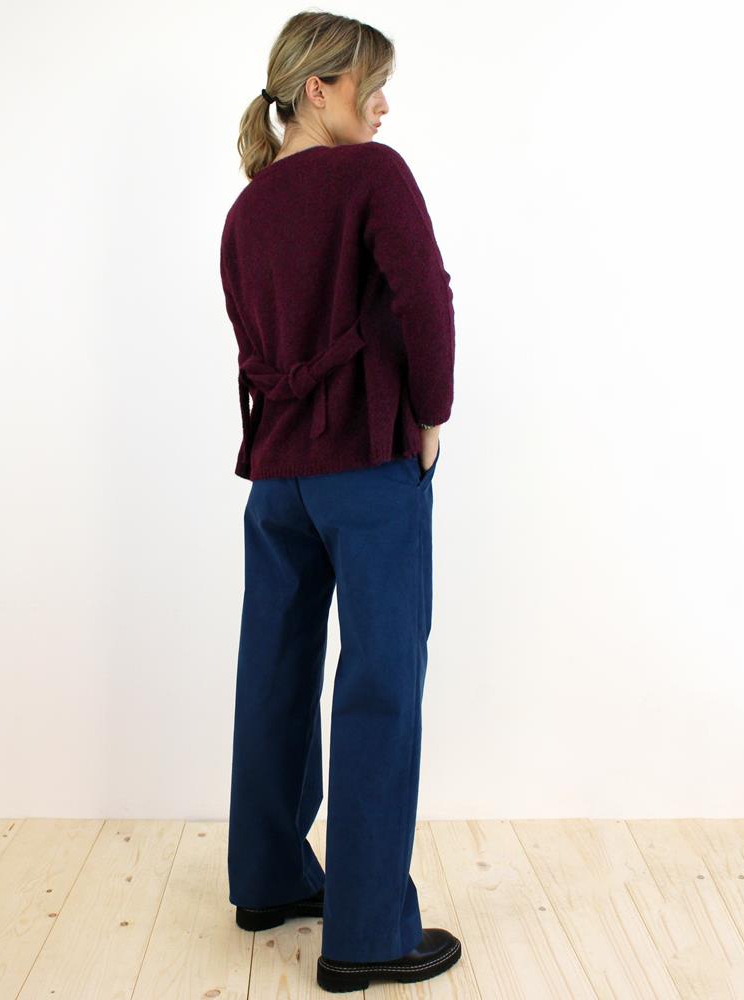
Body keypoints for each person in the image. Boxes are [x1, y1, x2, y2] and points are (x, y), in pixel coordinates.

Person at [218, 10, 460, 992]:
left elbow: (255, 343)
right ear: (318, 89)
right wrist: (431, 411)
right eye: (373, 83)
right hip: (365, 465)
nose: (384, 105)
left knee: (273, 672)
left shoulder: (246, 210)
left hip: (277, 477)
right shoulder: (373, 175)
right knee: (379, 684)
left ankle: (268, 876)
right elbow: (424, 294)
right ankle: (366, 935)